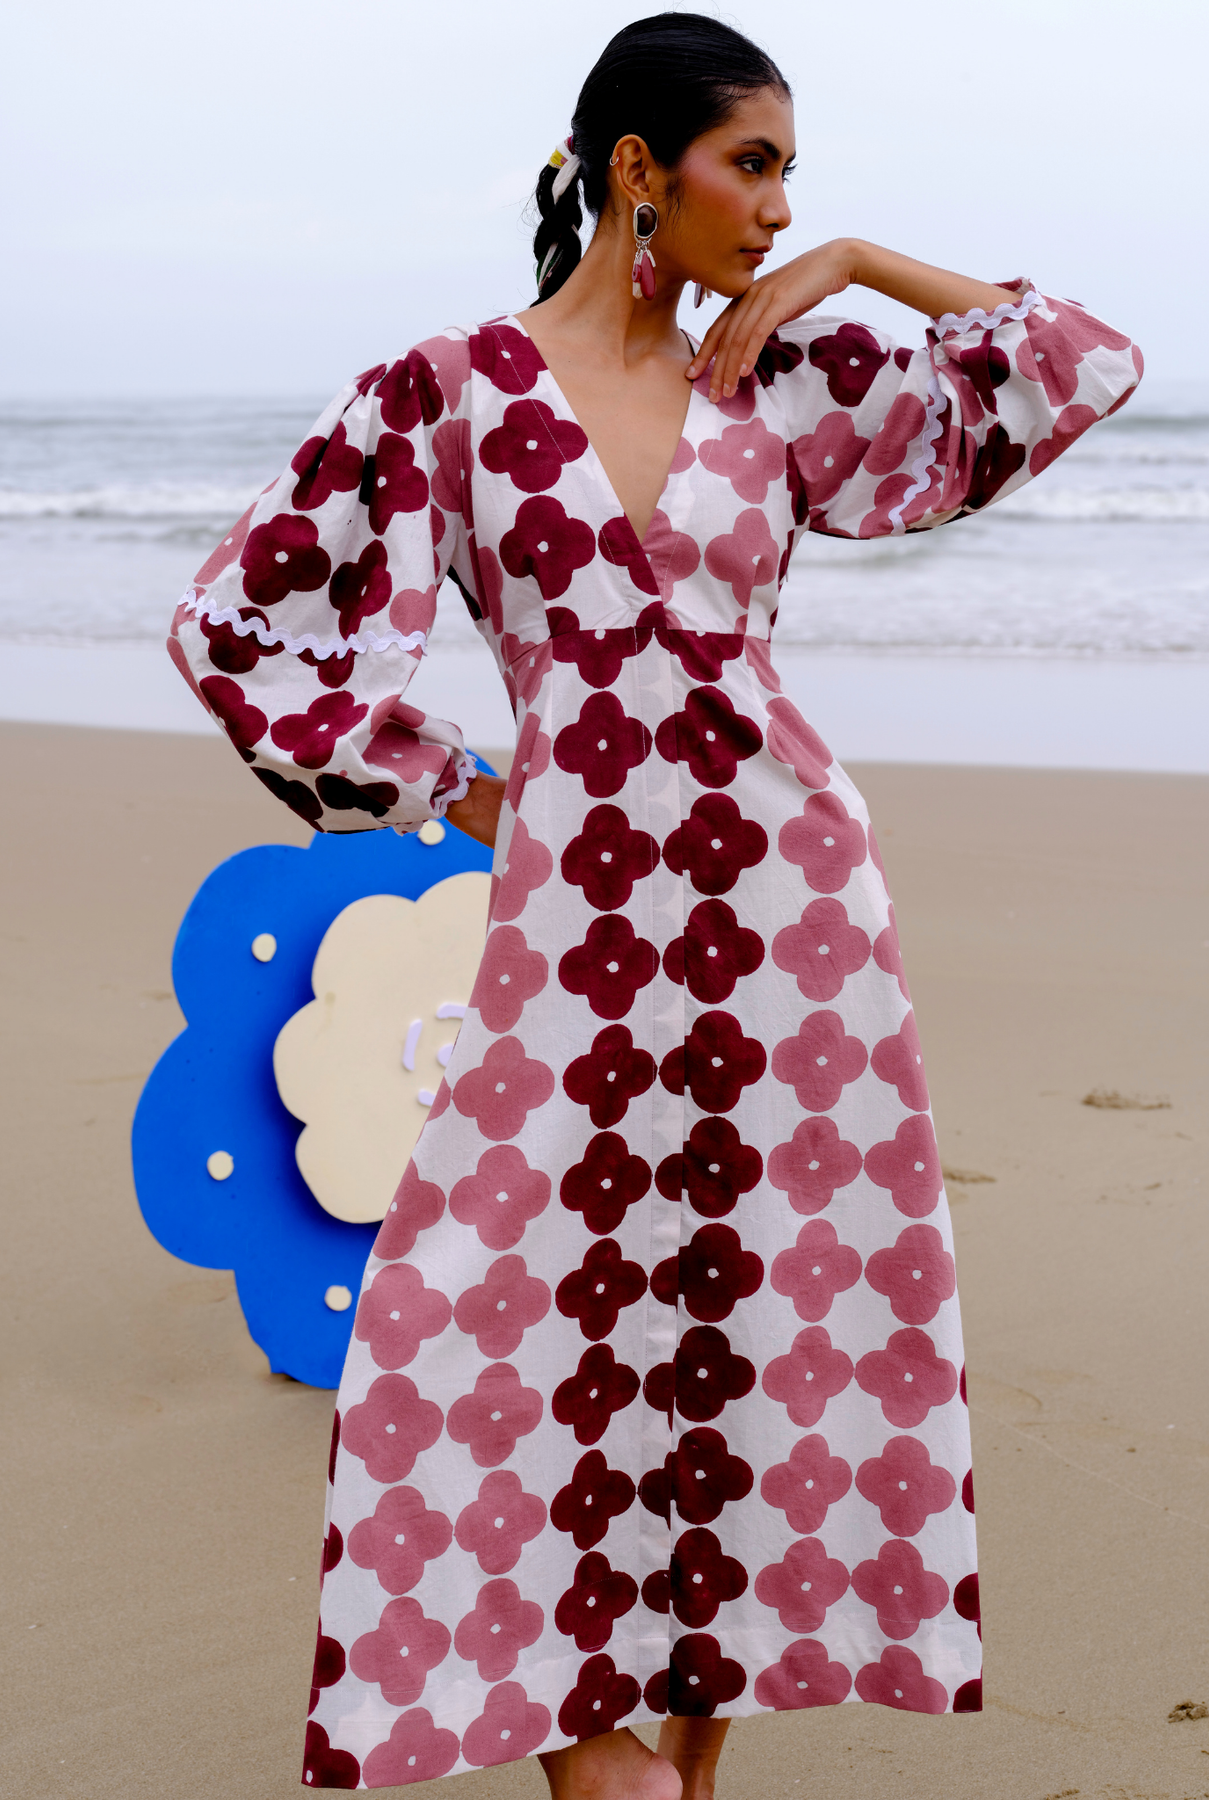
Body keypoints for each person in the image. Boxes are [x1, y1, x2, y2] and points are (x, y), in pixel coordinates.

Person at [168, 13, 1140, 1797]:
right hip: (573, 933)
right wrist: (454, 781)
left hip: (792, 924)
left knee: (754, 1312)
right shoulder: (451, 393)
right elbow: (242, 626)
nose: (779, 210)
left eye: (793, 176)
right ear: (639, 170)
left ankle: (684, 1750)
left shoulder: (778, 385)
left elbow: (1072, 361)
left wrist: (862, 265)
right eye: (753, 167)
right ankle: (578, 1735)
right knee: (491, 1306)